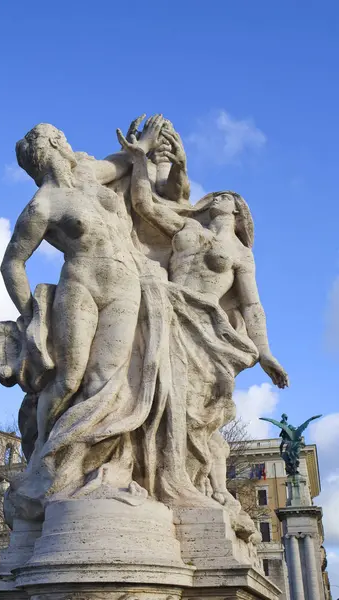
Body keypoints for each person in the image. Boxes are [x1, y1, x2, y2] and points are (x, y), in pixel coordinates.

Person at [117, 126, 288, 522]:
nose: (221, 198)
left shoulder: (241, 255)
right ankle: (152, 475)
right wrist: (140, 159)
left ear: (239, 214)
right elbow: (143, 203)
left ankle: (185, 482)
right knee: (152, 389)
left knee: (191, 408)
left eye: (230, 198)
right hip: (167, 309)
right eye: (219, 195)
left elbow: (252, 305)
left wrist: (265, 353)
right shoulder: (188, 228)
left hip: (206, 329)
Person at [1, 119, 162, 502]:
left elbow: (124, 163)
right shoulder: (43, 204)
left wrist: (145, 144)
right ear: (53, 145)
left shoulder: (90, 174)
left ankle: (90, 465)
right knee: (71, 378)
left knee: (108, 376)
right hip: (81, 286)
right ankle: (46, 456)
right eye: (62, 139)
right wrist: (33, 318)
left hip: (126, 285)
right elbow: (12, 264)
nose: (69, 143)